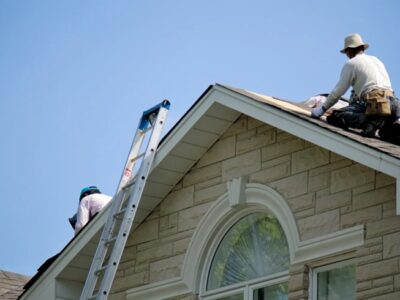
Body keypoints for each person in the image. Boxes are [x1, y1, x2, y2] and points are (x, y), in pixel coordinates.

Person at [311, 33, 400, 139]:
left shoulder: (352, 63)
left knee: (336, 116)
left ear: (350, 49)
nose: (346, 55)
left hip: (376, 105)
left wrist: (321, 110)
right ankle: (389, 128)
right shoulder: (376, 60)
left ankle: (371, 123)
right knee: (385, 134)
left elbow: (337, 93)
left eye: (346, 52)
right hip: (394, 105)